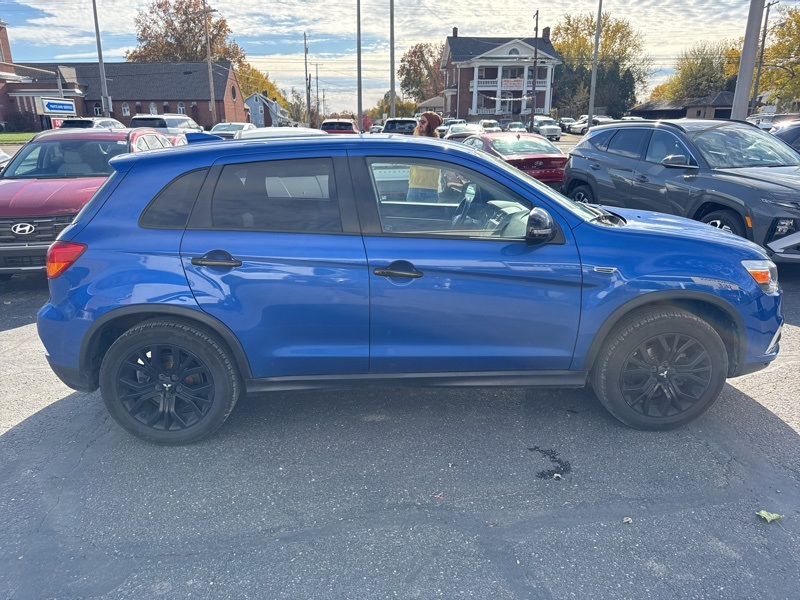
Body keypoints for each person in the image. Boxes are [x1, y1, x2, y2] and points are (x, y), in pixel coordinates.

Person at [406, 112, 443, 203]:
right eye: (419, 121)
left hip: (431, 190)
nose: (419, 124)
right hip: (414, 187)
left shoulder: (437, 144)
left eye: (423, 122)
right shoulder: (415, 142)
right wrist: (422, 163)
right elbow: (408, 161)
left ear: (430, 125)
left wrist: (417, 163)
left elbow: (435, 165)